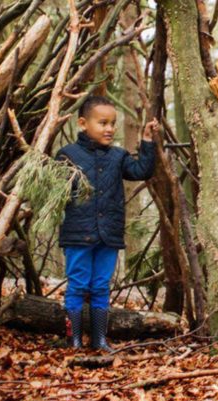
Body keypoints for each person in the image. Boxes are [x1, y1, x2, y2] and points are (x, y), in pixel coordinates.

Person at [56, 95, 159, 351]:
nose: (110, 128)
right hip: (78, 235)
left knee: (101, 286)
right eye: (102, 123)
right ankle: (75, 340)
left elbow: (141, 171)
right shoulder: (67, 155)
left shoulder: (118, 156)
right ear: (83, 123)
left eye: (113, 123)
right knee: (78, 285)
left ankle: (100, 339)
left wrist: (147, 141)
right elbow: (55, 191)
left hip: (108, 235)